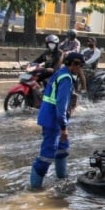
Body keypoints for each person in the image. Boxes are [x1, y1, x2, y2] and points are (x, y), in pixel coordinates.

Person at [29, 52, 85, 190]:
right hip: (53, 119)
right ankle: (34, 188)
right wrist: (64, 127)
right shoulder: (66, 79)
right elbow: (61, 105)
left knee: (62, 148)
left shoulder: (60, 72)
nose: (81, 69)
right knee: (47, 154)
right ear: (74, 65)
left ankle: (62, 178)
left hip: (49, 116)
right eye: (80, 66)